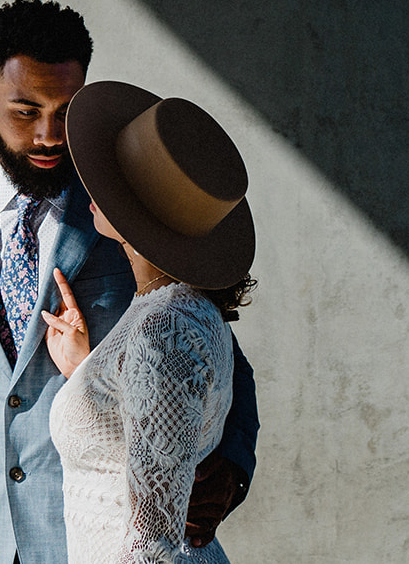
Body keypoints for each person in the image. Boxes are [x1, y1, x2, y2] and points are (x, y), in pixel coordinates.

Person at [0, 0, 258, 564]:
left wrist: (231, 469)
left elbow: (218, 363)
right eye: (25, 112)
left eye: (64, 112)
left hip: (99, 533)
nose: (48, 135)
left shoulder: (130, 214)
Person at [40, 80, 257, 564]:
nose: (90, 184)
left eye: (112, 180)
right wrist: (90, 371)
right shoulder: (170, 309)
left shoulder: (164, 329)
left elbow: (151, 545)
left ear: (143, 216)